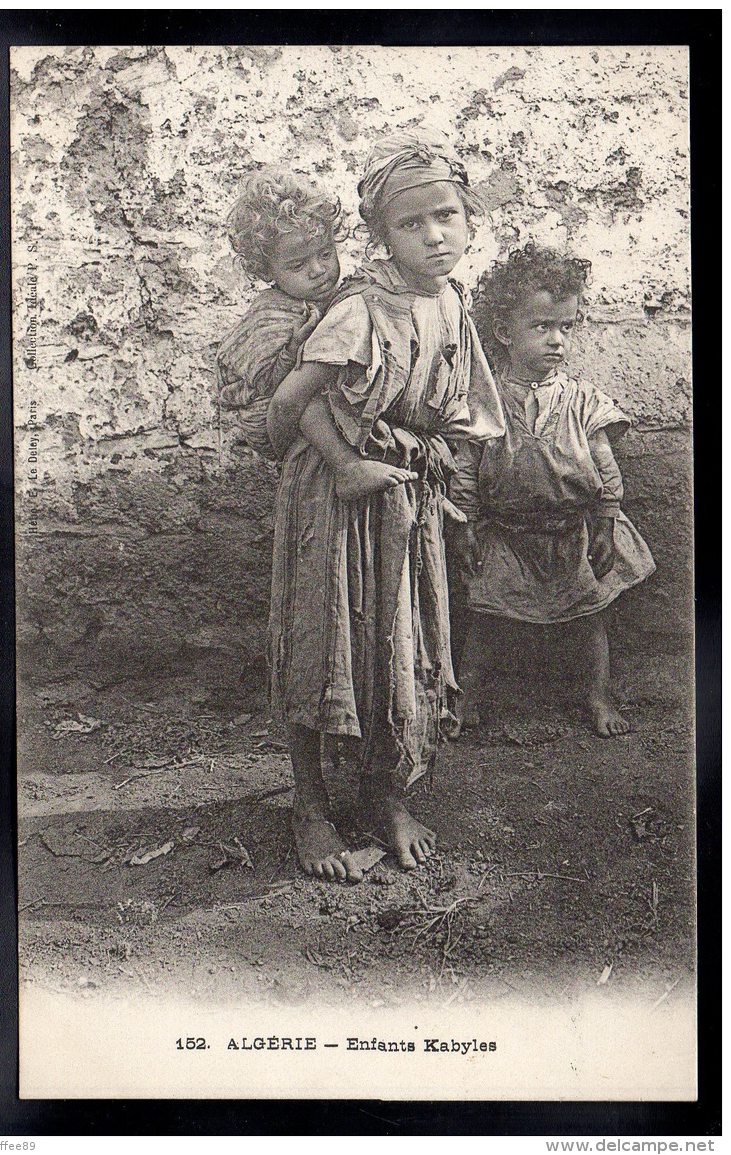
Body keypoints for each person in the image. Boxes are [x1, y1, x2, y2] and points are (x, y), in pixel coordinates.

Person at [266, 130, 505, 882]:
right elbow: (286, 401)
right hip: (336, 499)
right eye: (411, 224)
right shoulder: (359, 310)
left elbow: (462, 406)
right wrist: (325, 465)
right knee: (324, 638)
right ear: (381, 236)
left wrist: (438, 481)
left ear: (469, 219)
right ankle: (308, 805)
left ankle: (382, 793)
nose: (434, 235)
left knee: (398, 644)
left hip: (405, 497)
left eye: (446, 216)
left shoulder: (451, 304)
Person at [447, 243, 655, 739]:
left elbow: (605, 470)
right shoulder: (484, 400)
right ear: (503, 332)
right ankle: (466, 699)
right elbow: (466, 470)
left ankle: (599, 697)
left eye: (566, 327)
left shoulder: (584, 401)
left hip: (573, 532)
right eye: (542, 327)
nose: (557, 340)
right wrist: (467, 526)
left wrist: (605, 524)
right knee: (485, 617)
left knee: (591, 617)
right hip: (507, 534)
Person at [215, 167, 343, 459]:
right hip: (268, 412)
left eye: (325, 253)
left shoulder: (331, 297)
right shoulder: (270, 313)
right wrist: (293, 348)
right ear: (266, 269)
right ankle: (346, 465)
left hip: (307, 402)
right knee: (307, 399)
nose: (318, 270)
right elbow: (264, 382)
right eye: (298, 266)